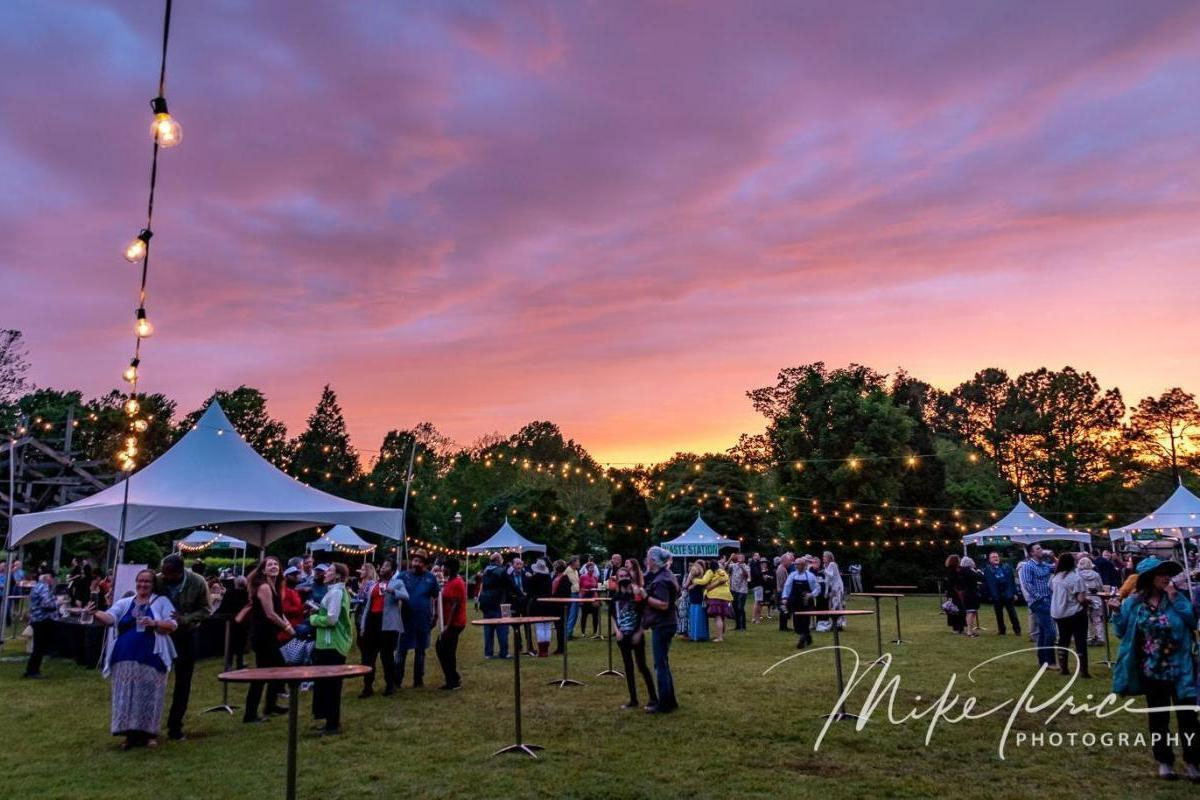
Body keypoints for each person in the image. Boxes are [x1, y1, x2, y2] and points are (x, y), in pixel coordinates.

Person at [1110, 556, 1200, 780]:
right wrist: (1115, 611)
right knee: (1159, 719)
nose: (1167, 577)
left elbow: (1192, 621)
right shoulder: (1134, 603)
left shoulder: (1177, 598)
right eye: (1162, 573)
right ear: (1149, 578)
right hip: (1152, 670)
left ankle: (1193, 762)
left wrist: (1174, 597)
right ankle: (1164, 762)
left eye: (1168, 573)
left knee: (1189, 719)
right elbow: (1121, 631)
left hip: (1181, 669)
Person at [91, 568, 178, 750]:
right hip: (125, 656)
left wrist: (154, 623)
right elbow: (110, 618)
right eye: (140, 581)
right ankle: (129, 734)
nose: (142, 584)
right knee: (127, 695)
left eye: (147, 581)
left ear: (154, 584)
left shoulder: (161, 602)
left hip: (151, 656)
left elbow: (172, 624)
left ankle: (148, 734)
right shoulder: (125, 602)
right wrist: (95, 613)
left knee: (149, 695)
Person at [156, 554, 211, 741]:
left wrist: (185, 619)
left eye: (169, 575)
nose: (165, 577)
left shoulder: (197, 582)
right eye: (163, 573)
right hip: (161, 635)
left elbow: (206, 609)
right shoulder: (158, 580)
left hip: (186, 635)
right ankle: (149, 725)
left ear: (180, 572)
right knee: (155, 678)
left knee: (183, 682)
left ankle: (175, 726)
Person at [243, 557, 293, 723]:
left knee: (275, 670)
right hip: (262, 636)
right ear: (263, 570)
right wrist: (287, 628)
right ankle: (250, 714)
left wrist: (287, 623)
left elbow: (279, 612)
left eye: (276, 564)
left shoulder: (275, 586)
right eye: (269, 565)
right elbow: (271, 614)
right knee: (263, 674)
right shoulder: (264, 587)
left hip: (270, 635)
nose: (274, 566)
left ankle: (270, 706)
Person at [309, 562, 351, 735]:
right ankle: (329, 721)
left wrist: (314, 619)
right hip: (328, 644)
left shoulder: (336, 592)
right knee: (327, 685)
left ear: (338, 576)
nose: (326, 573)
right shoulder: (336, 591)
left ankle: (332, 724)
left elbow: (332, 619)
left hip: (331, 645)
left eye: (330, 571)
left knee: (331, 686)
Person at [612, 561, 657, 709]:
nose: (624, 577)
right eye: (621, 576)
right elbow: (612, 615)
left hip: (636, 633)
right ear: (617, 578)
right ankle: (633, 700)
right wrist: (616, 631)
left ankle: (653, 698)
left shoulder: (636, 592)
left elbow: (645, 613)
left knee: (642, 666)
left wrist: (640, 631)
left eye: (626, 575)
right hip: (622, 635)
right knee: (628, 667)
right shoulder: (615, 595)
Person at [358, 559, 405, 698]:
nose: (383, 568)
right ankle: (367, 686)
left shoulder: (397, 583)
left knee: (387, 656)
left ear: (392, 570)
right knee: (368, 656)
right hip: (373, 620)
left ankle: (389, 685)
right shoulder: (374, 585)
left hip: (387, 624)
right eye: (382, 565)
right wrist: (363, 625)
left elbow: (405, 596)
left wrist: (392, 590)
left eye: (386, 566)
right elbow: (367, 606)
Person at [642, 546, 679, 713]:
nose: (646, 560)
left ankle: (664, 704)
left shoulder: (661, 580)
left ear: (654, 561)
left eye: (648, 558)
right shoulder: (666, 575)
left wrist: (645, 597)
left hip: (663, 624)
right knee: (663, 662)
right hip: (668, 623)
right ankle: (670, 700)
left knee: (660, 665)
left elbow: (663, 604)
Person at [397, 549, 439, 688]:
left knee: (420, 650)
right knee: (401, 650)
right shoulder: (403, 576)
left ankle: (418, 680)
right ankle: (397, 679)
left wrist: (436, 615)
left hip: (423, 619)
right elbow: (393, 594)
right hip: (405, 619)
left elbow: (436, 597)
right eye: (415, 560)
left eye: (420, 561)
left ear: (425, 564)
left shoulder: (430, 578)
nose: (417, 563)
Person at [1049, 553, 1090, 678]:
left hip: (1058, 613)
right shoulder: (1076, 578)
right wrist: (1089, 602)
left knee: (1063, 639)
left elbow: (1052, 590)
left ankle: (1064, 667)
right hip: (1073, 612)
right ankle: (1083, 670)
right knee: (1080, 640)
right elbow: (1081, 599)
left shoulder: (1055, 577)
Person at [1019, 544, 1057, 668]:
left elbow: (1059, 567)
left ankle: (1043, 661)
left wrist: (1053, 557)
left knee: (1043, 632)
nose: (1041, 550)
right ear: (1031, 553)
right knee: (1051, 632)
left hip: (1048, 600)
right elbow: (1027, 584)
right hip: (1039, 602)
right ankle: (1050, 661)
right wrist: (1039, 597)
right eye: (1038, 549)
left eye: (1041, 548)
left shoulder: (1045, 565)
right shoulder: (1028, 566)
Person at [436, 558, 467, 690]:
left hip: (455, 622)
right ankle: (452, 677)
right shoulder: (449, 581)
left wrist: (448, 626)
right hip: (449, 622)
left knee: (446, 650)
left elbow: (455, 605)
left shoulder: (457, 583)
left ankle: (453, 680)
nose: (443, 569)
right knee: (443, 649)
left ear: (451, 568)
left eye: (445, 567)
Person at [23, 567, 58, 678]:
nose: (53, 580)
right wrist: (58, 602)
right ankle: (33, 671)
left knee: (38, 646)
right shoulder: (44, 587)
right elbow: (46, 604)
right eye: (52, 577)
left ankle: (31, 670)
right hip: (42, 620)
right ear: (48, 577)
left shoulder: (37, 586)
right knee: (39, 647)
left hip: (35, 619)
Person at [478, 552, 512, 659]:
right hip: (499, 602)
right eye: (501, 558)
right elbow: (511, 585)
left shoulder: (485, 571)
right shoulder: (501, 571)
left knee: (488, 628)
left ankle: (488, 653)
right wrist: (520, 595)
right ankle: (504, 652)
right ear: (498, 560)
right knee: (502, 627)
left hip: (485, 602)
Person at [782, 555, 821, 648]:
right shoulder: (792, 575)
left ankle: (802, 641)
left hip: (806, 603)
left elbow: (817, 588)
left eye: (798, 564)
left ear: (803, 565)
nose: (796, 566)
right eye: (795, 564)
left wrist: (811, 594)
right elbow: (787, 587)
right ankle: (808, 637)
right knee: (797, 624)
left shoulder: (810, 576)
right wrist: (784, 597)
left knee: (805, 622)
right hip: (795, 603)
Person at [694, 559, 733, 642]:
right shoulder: (723, 572)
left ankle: (719, 638)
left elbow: (703, 581)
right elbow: (727, 581)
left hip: (715, 596)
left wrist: (694, 580)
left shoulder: (710, 571)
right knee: (722, 617)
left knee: (717, 617)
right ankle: (721, 635)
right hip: (726, 596)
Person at [983, 551, 1021, 636]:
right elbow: (986, 584)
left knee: (1012, 613)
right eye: (993, 557)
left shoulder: (1006, 567)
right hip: (996, 595)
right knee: (999, 614)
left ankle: (1017, 630)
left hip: (1007, 593)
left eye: (996, 556)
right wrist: (989, 595)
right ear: (989, 560)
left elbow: (1012, 581)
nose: (995, 558)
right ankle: (1002, 630)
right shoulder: (987, 569)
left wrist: (1015, 593)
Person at [527, 559, 555, 657]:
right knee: (547, 626)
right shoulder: (548, 578)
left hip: (537, 603)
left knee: (539, 627)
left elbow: (529, 592)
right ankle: (546, 650)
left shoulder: (534, 579)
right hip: (548, 603)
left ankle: (541, 650)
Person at [1075, 555, 1106, 645]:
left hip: (1083, 598)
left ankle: (1087, 637)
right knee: (1097, 619)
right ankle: (1100, 637)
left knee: (1085, 619)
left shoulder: (1077, 575)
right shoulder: (1096, 575)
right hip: (1095, 598)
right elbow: (1100, 586)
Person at [684, 562, 709, 642]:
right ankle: (702, 635)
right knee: (700, 616)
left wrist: (689, 578)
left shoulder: (692, 577)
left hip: (694, 598)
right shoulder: (703, 577)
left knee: (694, 616)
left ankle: (694, 635)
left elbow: (685, 586)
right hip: (700, 598)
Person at [958, 556, 982, 637]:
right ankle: (969, 631)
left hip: (967, 593)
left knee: (971, 612)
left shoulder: (962, 571)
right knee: (971, 612)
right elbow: (979, 578)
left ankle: (970, 630)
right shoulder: (969, 571)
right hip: (971, 594)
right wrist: (978, 572)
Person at [579, 559, 601, 637]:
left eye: (593, 568)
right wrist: (581, 599)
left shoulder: (595, 577)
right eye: (590, 568)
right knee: (584, 615)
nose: (592, 569)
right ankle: (583, 632)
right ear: (587, 568)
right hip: (585, 597)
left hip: (593, 598)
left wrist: (597, 599)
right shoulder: (582, 577)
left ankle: (595, 632)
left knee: (595, 615)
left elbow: (596, 588)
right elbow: (580, 588)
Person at [823, 551, 845, 629]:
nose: (823, 558)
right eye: (823, 556)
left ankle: (840, 622)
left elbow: (831, 575)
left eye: (825, 556)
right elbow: (827, 581)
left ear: (829, 558)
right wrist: (826, 592)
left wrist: (824, 571)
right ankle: (834, 622)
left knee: (837, 603)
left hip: (838, 586)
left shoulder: (833, 564)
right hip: (833, 587)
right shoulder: (825, 566)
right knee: (832, 603)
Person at [728, 553, 750, 631]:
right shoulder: (733, 565)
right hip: (734, 589)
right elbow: (725, 568)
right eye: (739, 557)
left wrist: (742, 568)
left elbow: (747, 575)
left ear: (744, 559)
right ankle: (737, 626)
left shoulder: (746, 566)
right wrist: (730, 558)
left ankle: (743, 626)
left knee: (740, 608)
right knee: (735, 608)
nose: (740, 558)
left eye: (742, 557)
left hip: (742, 590)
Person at [564, 556, 582, 639]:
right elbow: (574, 584)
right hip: (572, 594)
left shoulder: (576, 571)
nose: (579, 563)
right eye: (578, 561)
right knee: (572, 614)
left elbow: (578, 583)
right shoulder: (568, 570)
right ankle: (567, 634)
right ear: (573, 562)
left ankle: (570, 633)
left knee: (575, 615)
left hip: (577, 594)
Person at [776, 554, 793, 632]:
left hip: (781, 592)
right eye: (788, 560)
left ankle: (783, 626)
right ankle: (783, 627)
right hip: (782, 592)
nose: (790, 562)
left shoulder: (782, 568)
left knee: (783, 609)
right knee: (783, 609)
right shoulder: (781, 569)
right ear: (784, 561)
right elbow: (783, 583)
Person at [748, 553, 765, 624]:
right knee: (758, 602)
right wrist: (763, 576)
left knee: (758, 601)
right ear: (754, 556)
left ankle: (755, 618)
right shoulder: (754, 564)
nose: (759, 556)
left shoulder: (755, 564)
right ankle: (756, 618)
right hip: (757, 584)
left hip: (757, 584)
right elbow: (757, 574)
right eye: (757, 555)